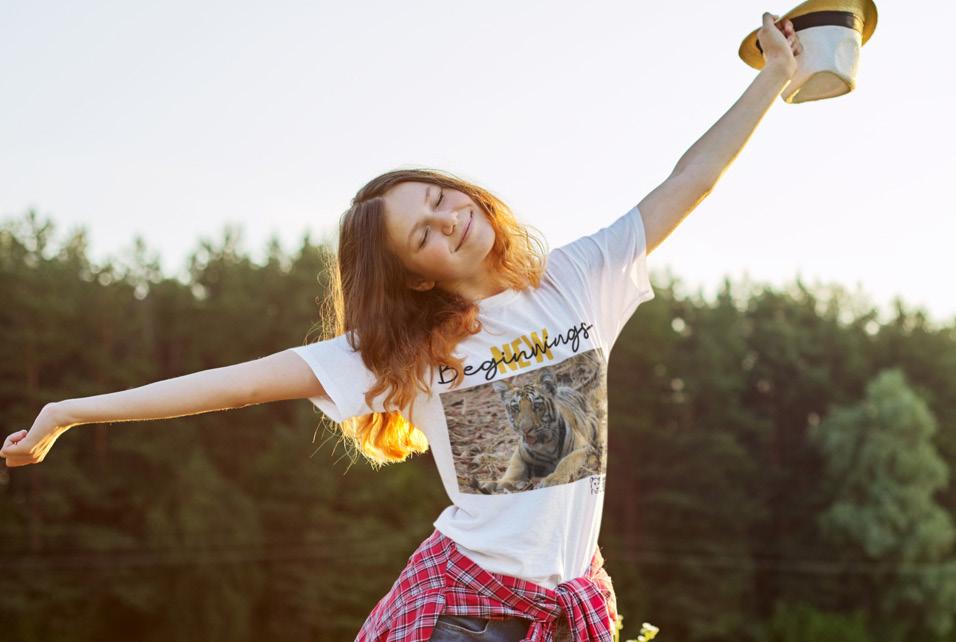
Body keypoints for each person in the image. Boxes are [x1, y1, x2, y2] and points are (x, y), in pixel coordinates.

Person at [1, 13, 802, 642]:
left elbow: (690, 179)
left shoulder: (578, 278)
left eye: (443, 199)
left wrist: (773, 78)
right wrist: (70, 412)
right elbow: (234, 385)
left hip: (565, 606)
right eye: (424, 232)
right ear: (415, 274)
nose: (449, 220)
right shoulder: (401, 352)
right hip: (468, 616)